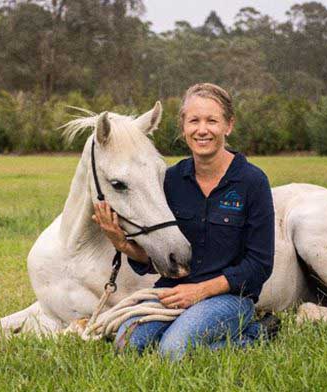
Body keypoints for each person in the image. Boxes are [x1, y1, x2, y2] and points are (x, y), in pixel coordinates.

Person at [93, 83, 278, 360]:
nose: (202, 129)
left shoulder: (252, 181)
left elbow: (259, 264)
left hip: (229, 298)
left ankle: (256, 334)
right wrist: (122, 243)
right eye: (194, 120)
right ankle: (183, 331)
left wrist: (199, 292)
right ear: (183, 127)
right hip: (172, 292)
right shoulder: (170, 180)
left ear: (228, 126)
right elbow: (156, 256)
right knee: (127, 345)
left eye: (212, 120)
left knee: (173, 351)